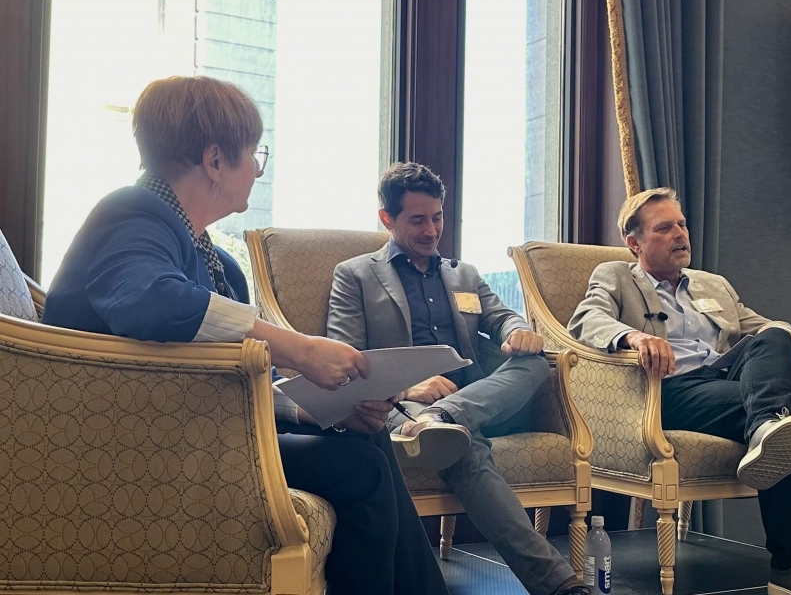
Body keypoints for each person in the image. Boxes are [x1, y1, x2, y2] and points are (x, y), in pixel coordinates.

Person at [41, 76, 450, 595]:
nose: (258, 167)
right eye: (253, 153)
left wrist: (316, 409)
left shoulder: (215, 263)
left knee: (364, 436)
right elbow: (154, 302)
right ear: (215, 162)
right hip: (131, 442)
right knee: (360, 471)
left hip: (195, 427)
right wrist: (299, 348)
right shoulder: (131, 213)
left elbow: (229, 375)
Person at [567, 187, 791, 595]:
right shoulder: (615, 276)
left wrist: (780, 341)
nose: (680, 234)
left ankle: (766, 427)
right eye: (665, 227)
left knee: (776, 335)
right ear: (634, 243)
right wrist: (634, 337)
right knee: (789, 417)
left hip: (727, 383)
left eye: (682, 224)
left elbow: (768, 331)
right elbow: (585, 321)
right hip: (668, 389)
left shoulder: (713, 285)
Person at [327, 162, 590, 595]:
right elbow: (345, 359)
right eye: (417, 220)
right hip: (403, 405)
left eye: (438, 217)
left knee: (537, 361)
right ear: (387, 219)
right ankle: (561, 587)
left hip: (475, 397)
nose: (432, 230)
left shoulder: (462, 273)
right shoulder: (355, 275)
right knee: (464, 451)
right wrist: (410, 388)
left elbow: (501, 316)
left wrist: (516, 331)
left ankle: (445, 416)